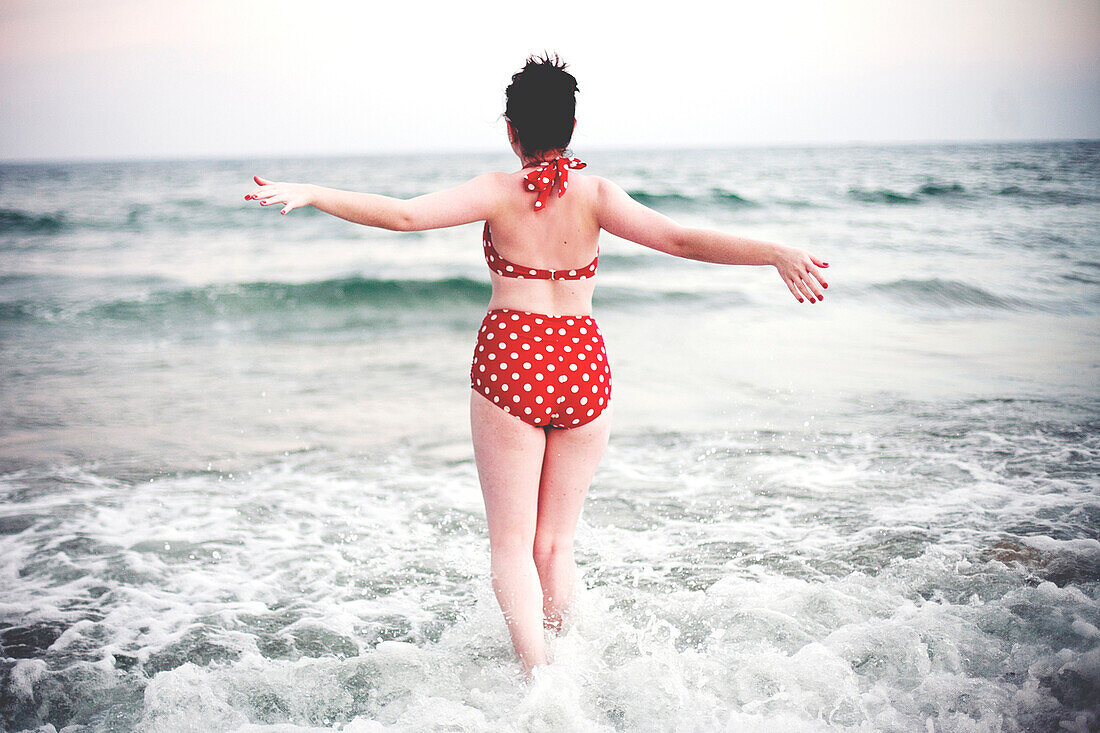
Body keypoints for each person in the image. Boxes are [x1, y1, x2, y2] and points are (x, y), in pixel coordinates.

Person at [245, 53, 829, 682]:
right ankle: (572, 664)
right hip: (583, 363)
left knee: (510, 547)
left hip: (512, 356)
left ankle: (538, 680)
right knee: (555, 546)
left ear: (509, 128)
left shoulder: (499, 191)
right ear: (573, 126)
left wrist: (313, 193)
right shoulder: (598, 194)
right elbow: (682, 240)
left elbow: (406, 215)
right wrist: (775, 251)